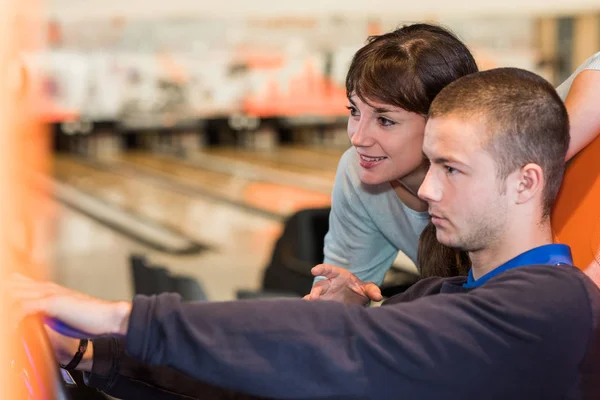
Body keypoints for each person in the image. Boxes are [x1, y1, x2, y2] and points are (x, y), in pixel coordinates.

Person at [10, 67, 600, 399]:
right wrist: (94, 357)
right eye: (431, 164)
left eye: (451, 169)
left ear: (526, 183)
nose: (426, 190)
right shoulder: (446, 295)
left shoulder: (551, 306)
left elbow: (340, 348)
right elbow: (283, 372)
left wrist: (121, 319)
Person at [308, 26, 600, 305]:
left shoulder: (511, 129)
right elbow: (351, 288)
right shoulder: (357, 174)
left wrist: (541, 151)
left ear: (443, 117)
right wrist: (346, 300)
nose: (357, 137)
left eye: (385, 120)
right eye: (354, 111)